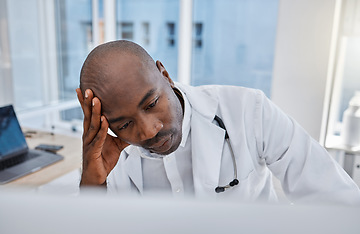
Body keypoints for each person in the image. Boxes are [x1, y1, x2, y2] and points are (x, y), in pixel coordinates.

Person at [76, 40, 360, 204]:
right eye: (125, 125)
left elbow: (335, 199)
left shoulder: (249, 110)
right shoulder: (111, 159)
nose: (149, 130)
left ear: (164, 74)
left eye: (152, 104)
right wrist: (92, 183)